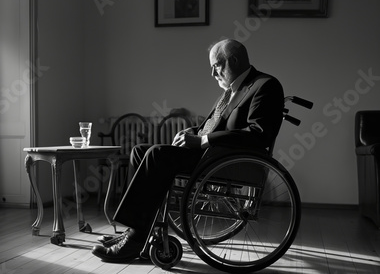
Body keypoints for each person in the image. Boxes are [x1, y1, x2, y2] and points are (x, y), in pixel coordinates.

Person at [91, 39, 284, 262]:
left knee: (156, 155)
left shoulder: (265, 85)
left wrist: (202, 140)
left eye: (216, 65)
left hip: (226, 160)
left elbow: (258, 134)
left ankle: (136, 239)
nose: (213, 73)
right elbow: (215, 123)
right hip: (211, 154)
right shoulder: (231, 90)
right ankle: (137, 231)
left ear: (234, 60)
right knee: (139, 151)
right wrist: (191, 132)